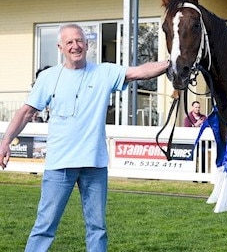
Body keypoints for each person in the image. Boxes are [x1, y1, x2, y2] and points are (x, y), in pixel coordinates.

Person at [0, 23, 169, 252]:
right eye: (69, 42)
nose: (75, 46)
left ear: (87, 44)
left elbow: (139, 71)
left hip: (94, 164)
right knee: (45, 226)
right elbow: (25, 112)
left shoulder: (104, 73)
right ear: (60, 47)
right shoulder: (48, 77)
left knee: (97, 228)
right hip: (60, 165)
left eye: (79, 40)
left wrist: (173, 62)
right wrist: (6, 141)